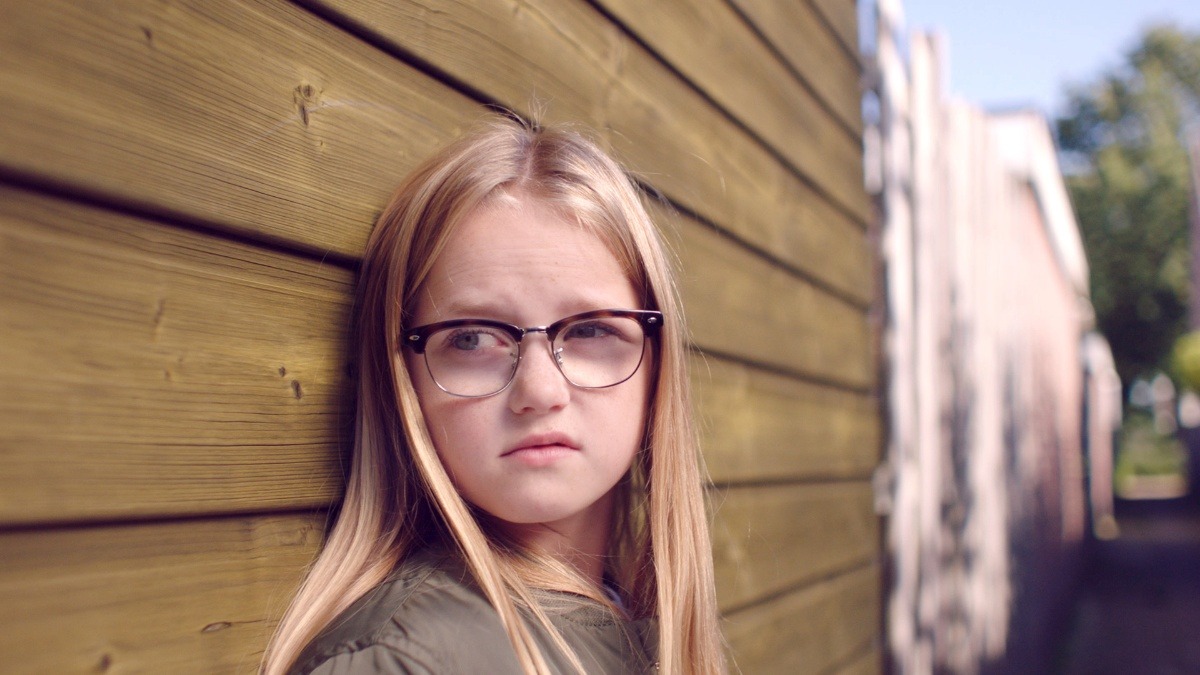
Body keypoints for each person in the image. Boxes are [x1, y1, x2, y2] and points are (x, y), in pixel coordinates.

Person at [262, 114, 726, 674]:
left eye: (589, 330)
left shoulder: (629, 619)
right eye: (472, 338)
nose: (539, 391)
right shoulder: (400, 663)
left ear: (657, 363)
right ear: (402, 377)